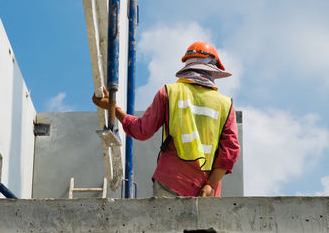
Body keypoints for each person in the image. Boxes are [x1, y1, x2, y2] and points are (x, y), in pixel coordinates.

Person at [92, 41, 240, 197]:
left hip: (170, 181)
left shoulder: (169, 92)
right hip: (206, 191)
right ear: (212, 71)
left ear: (188, 66)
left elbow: (142, 130)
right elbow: (230, 152)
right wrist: (211, 185)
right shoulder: (225, 105)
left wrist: (113, 108)